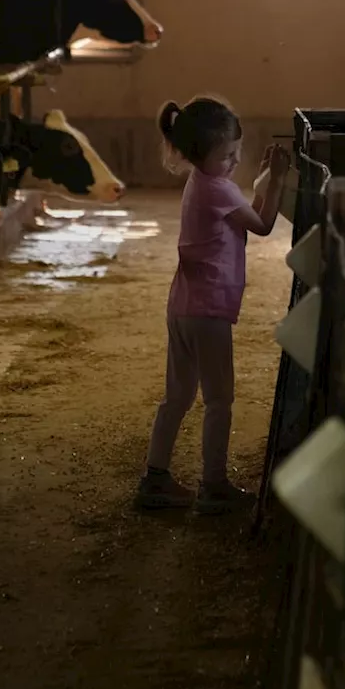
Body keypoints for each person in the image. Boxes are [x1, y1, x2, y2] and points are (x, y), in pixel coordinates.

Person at [135, 95, 291, 515]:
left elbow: (246, 212)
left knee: (178, 395)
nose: (235, 161)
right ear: (200, 154)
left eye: (238, 152)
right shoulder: (218, 187)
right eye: (227, 155)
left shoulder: (200, 182)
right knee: (219, 398)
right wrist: (275, 181)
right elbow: (262, 225)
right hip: (208, 311)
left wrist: (261, 184)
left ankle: (155, 479)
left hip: (183, 306)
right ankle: (214, 485)